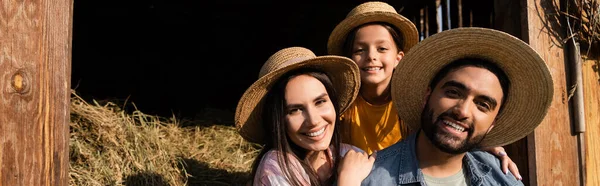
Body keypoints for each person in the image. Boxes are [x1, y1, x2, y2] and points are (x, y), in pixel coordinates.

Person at [327, 1, 521, 177]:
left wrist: (488, 146)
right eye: (360, 50)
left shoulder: (412, 101)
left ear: (399, 58)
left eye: (382, 49)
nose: (371, 57)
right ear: (350, 59)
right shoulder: (341, 105)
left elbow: (447, 132)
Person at [361, 27, 554, 185]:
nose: (462, 111)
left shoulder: (502, 178)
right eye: (453, 93)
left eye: (482, 105)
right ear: (427, 96)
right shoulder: (370, 178)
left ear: (493, 123)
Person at [235, 47, 374, 186]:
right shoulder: (274, 168)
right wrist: (348, 180)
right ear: (278, 120)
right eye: (295, 110)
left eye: (320, 102)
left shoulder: (350, 154)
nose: (313, 120)